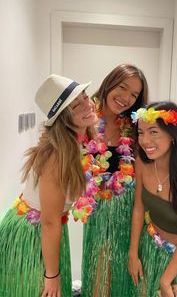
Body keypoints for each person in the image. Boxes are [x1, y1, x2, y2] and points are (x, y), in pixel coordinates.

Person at [0, 74, 98, 297]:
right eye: (75, 105)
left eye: (85, 97)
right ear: (63, 118)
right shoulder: (56, 155)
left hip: (49, 230)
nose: (87, 105)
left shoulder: (80, 141)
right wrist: (52, 276)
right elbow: (50, 221)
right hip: (33, 234)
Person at [80, 64, 149, 297]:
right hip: (97, 213)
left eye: (134, 94)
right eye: (123, 87)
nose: (126, 98)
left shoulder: (135, 126)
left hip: (127, 213)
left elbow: (140, 177)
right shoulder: (85, 118)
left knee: (123, 279)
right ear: (110, 82)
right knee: (98, 275)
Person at [128, 101, 177, 297]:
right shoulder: (142, 162)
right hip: (148, 249)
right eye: (141, 133)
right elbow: (138, 208)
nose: (145, 140)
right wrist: (133, 252)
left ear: (173, 135)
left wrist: (166, 281)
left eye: (153, 132)